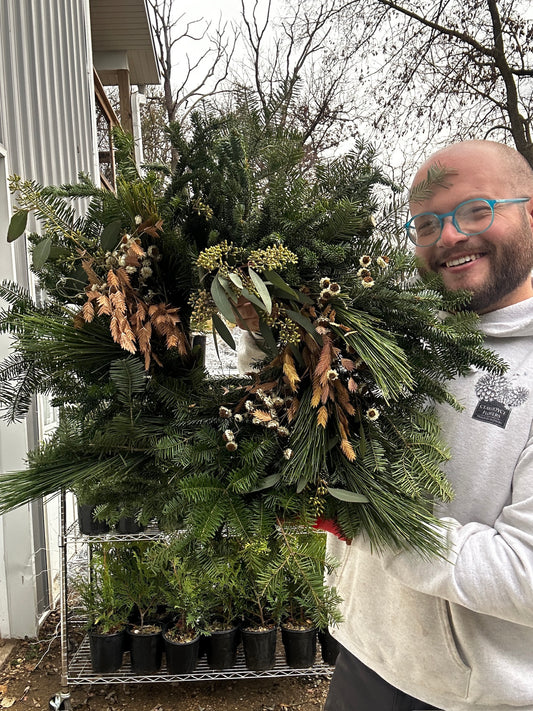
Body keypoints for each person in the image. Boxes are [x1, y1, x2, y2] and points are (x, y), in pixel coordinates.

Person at [238, 139, 533, 711]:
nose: (448, 236)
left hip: (480, 697)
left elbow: (524, 574)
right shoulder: (398, 335)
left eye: (477, 209)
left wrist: (366, 521)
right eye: (426, 223)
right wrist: (267, 327)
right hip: (363, 660)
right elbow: (299, 405)